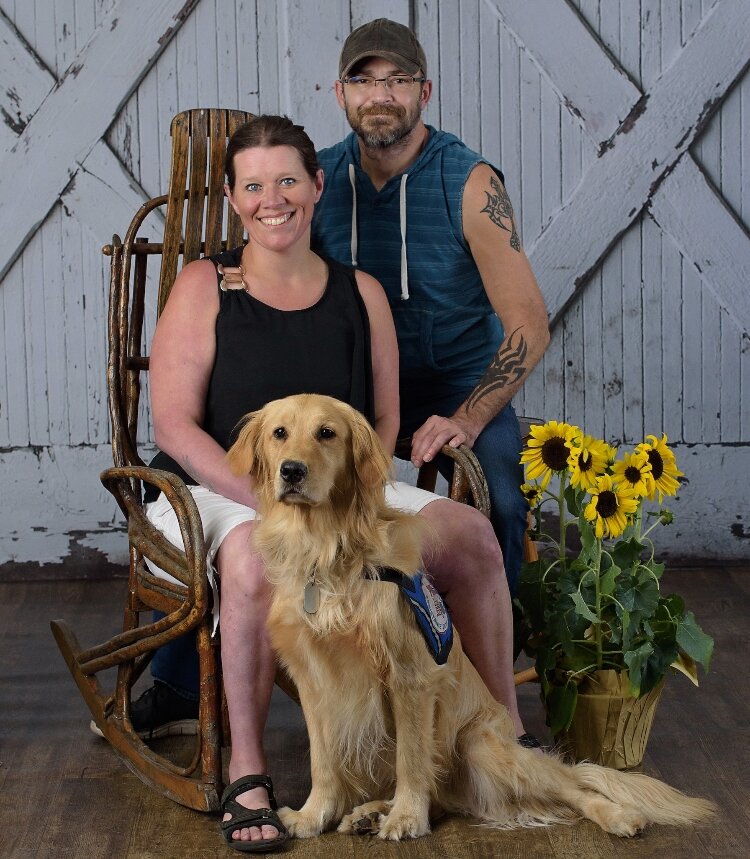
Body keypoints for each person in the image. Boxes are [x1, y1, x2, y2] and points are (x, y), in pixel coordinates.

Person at [120, 115, 534, 851]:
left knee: (471, 534)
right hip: (220, 487)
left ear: (316, 186)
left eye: (287, 180)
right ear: (232, 195)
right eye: (253, 185)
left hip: (341, 489)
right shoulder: (204, 284)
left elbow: (381, 419)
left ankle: (506, 730)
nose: (271, 199)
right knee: (253, 556)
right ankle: (248, 771)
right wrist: (267, 497)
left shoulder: (359, 291)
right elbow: (176, 428)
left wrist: (346, 502)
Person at [311, 18, 551, 599]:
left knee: (502, 498)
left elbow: (530, 325)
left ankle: (494, 661)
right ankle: (332, 645)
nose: (381, 95)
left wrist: (467, 419)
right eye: (364, 81)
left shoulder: (470, 183)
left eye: (398, 79)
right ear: (340, 94)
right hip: (356, 387)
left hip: (456, 384)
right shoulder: (315, 180)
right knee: (287, 488)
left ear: (425, 91)